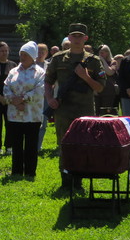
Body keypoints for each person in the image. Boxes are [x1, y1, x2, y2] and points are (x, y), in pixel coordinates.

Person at [44, 23, 105, 190]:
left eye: (80, 36)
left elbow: (100, 87)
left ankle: (78, 181)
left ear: (85, 38)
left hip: (85, 110)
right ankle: (65, 181)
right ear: (69, 37)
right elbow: (48, 81)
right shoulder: (58, 59)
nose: (77, 39)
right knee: (64, 145)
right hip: (63, 110)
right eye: (74, 36)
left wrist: (85, 77)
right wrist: (50, 99)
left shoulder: (94, 61)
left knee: (83, 145)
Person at [3, 42, 46, 179]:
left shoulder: (40, 72)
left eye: (25, 55)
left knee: (31, 145)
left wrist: (23, 99)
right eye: (21, 54)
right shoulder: (13, 71)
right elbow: (6, 87)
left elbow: (40, 90)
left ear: (33, 56)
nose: (22, 57)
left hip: (32, 114)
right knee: (16, 144)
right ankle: (16, 171)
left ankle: (29, 172)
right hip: (15, 114)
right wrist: (13, 100)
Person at [0, 41, 17, 154]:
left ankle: (9, 146)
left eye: (6, 51)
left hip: (10, 99)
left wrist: (8, 98)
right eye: (2, 51)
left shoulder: (13, 65)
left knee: (10, 123)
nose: (4, 53)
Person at [94, 44, 119, 115]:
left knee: (105, 113)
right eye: (100, 52)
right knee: (96, 113)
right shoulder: (95, 62)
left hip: (109, 91)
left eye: (103, 52)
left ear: (107, 52)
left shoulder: (113, 62)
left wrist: (102, 61)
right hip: (98, 90)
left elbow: (109, 72)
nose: (101, 54)